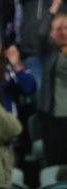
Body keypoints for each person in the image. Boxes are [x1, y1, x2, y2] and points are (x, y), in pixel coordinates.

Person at [39, 6, 67, 166]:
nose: (63, 32)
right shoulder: (50, 54)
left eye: (66, 28)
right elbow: (42, 34)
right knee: (54, 165)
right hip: (54, 118)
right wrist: (54, 8)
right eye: (59, 29)